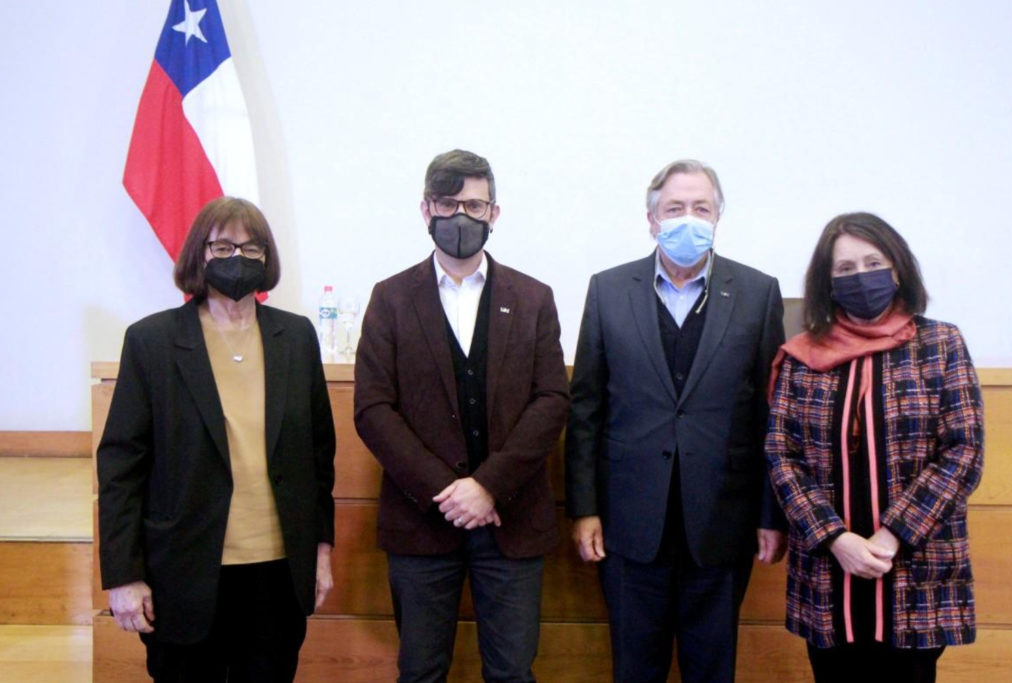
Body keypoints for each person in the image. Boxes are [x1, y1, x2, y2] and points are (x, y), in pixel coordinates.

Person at [565, 159, 787, 682]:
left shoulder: (758, 293)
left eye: (700, 208)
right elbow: (586, 408)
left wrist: (770, 514)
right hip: (628, 525)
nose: (688, 218)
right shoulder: (608, 290)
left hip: (722, 526)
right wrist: (584, 507)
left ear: (718, 217)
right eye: (675, 208)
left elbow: (772, 415)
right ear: (651, 218)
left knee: (712, 671)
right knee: (634, 670)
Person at [97, 197, 336, 682]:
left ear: (267, 260)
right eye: (223, 246)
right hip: (183, 571)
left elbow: (319, 455)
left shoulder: (296, 337)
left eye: (252, 250)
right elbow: (122, 467)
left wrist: (322, 551)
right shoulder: (152, 342)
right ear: (198, 254)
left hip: (276, 569)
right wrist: (124, 574)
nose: (238, 259)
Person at [354, 149, 569, 682]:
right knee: (421, 672)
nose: (461, 218)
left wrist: (488, 486)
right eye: (449, 204)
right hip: (422, 521)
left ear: (494, 214)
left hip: (512, 518)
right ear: (426, 210)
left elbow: (551, 401)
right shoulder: (391, 298)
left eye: (474, 205)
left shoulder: (534, 298)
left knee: (513, 673)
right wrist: (448, 493)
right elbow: (373, 408)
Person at [765, 212, 983, 682]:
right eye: (844, 269)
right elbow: (782, 456)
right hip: (828, 569)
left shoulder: (940, 343)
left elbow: (963, 452)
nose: (860, 276)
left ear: (898, 268)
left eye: (872, 262)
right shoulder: (803, 355)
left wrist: (892, 536)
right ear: (827, 281)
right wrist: (835, 539)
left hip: (913, 567)